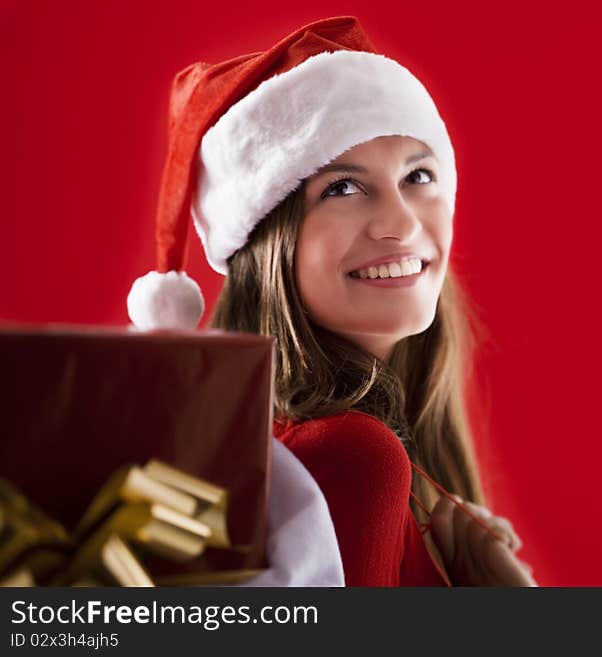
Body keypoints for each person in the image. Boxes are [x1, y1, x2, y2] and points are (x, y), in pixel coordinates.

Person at [126, 15, 535, 586]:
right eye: (342, 187)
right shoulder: (352, 454)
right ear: (269, 243)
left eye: (419, 175)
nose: (400, 222)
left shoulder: (364, 456)